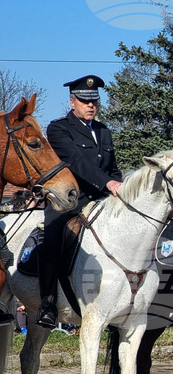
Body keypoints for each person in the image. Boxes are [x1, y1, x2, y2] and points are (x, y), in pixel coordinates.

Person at [39, 75, 123, 327]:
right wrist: (107, 183)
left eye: (94, 101)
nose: (91, 106)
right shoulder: (58, 128)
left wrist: (119, 186)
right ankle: (48, 303)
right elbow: (77, 161)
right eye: (85, 101)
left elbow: (114, 169)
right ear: (72, 102)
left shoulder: (103, 131)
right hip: (70, 201)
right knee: (53, 236)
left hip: (101, 201)